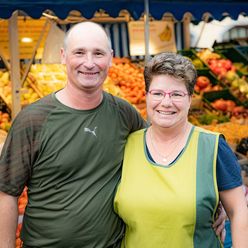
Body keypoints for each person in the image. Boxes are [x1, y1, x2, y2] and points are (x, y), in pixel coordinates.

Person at [0, 23, 224, 247]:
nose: (89, 63)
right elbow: (7, 194)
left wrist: (214, 199)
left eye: (98, 53)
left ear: (110, 58)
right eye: (79, 52)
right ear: (63, 56)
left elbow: (166, 150)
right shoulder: (32, 120)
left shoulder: (124, 114)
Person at [114, 52, 248, 247]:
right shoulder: (127, 145)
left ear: (190, 99)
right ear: (147, 96)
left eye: (176, 94)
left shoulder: (212, 147)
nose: (166, 103)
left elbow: (238, 211)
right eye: (158, 93)